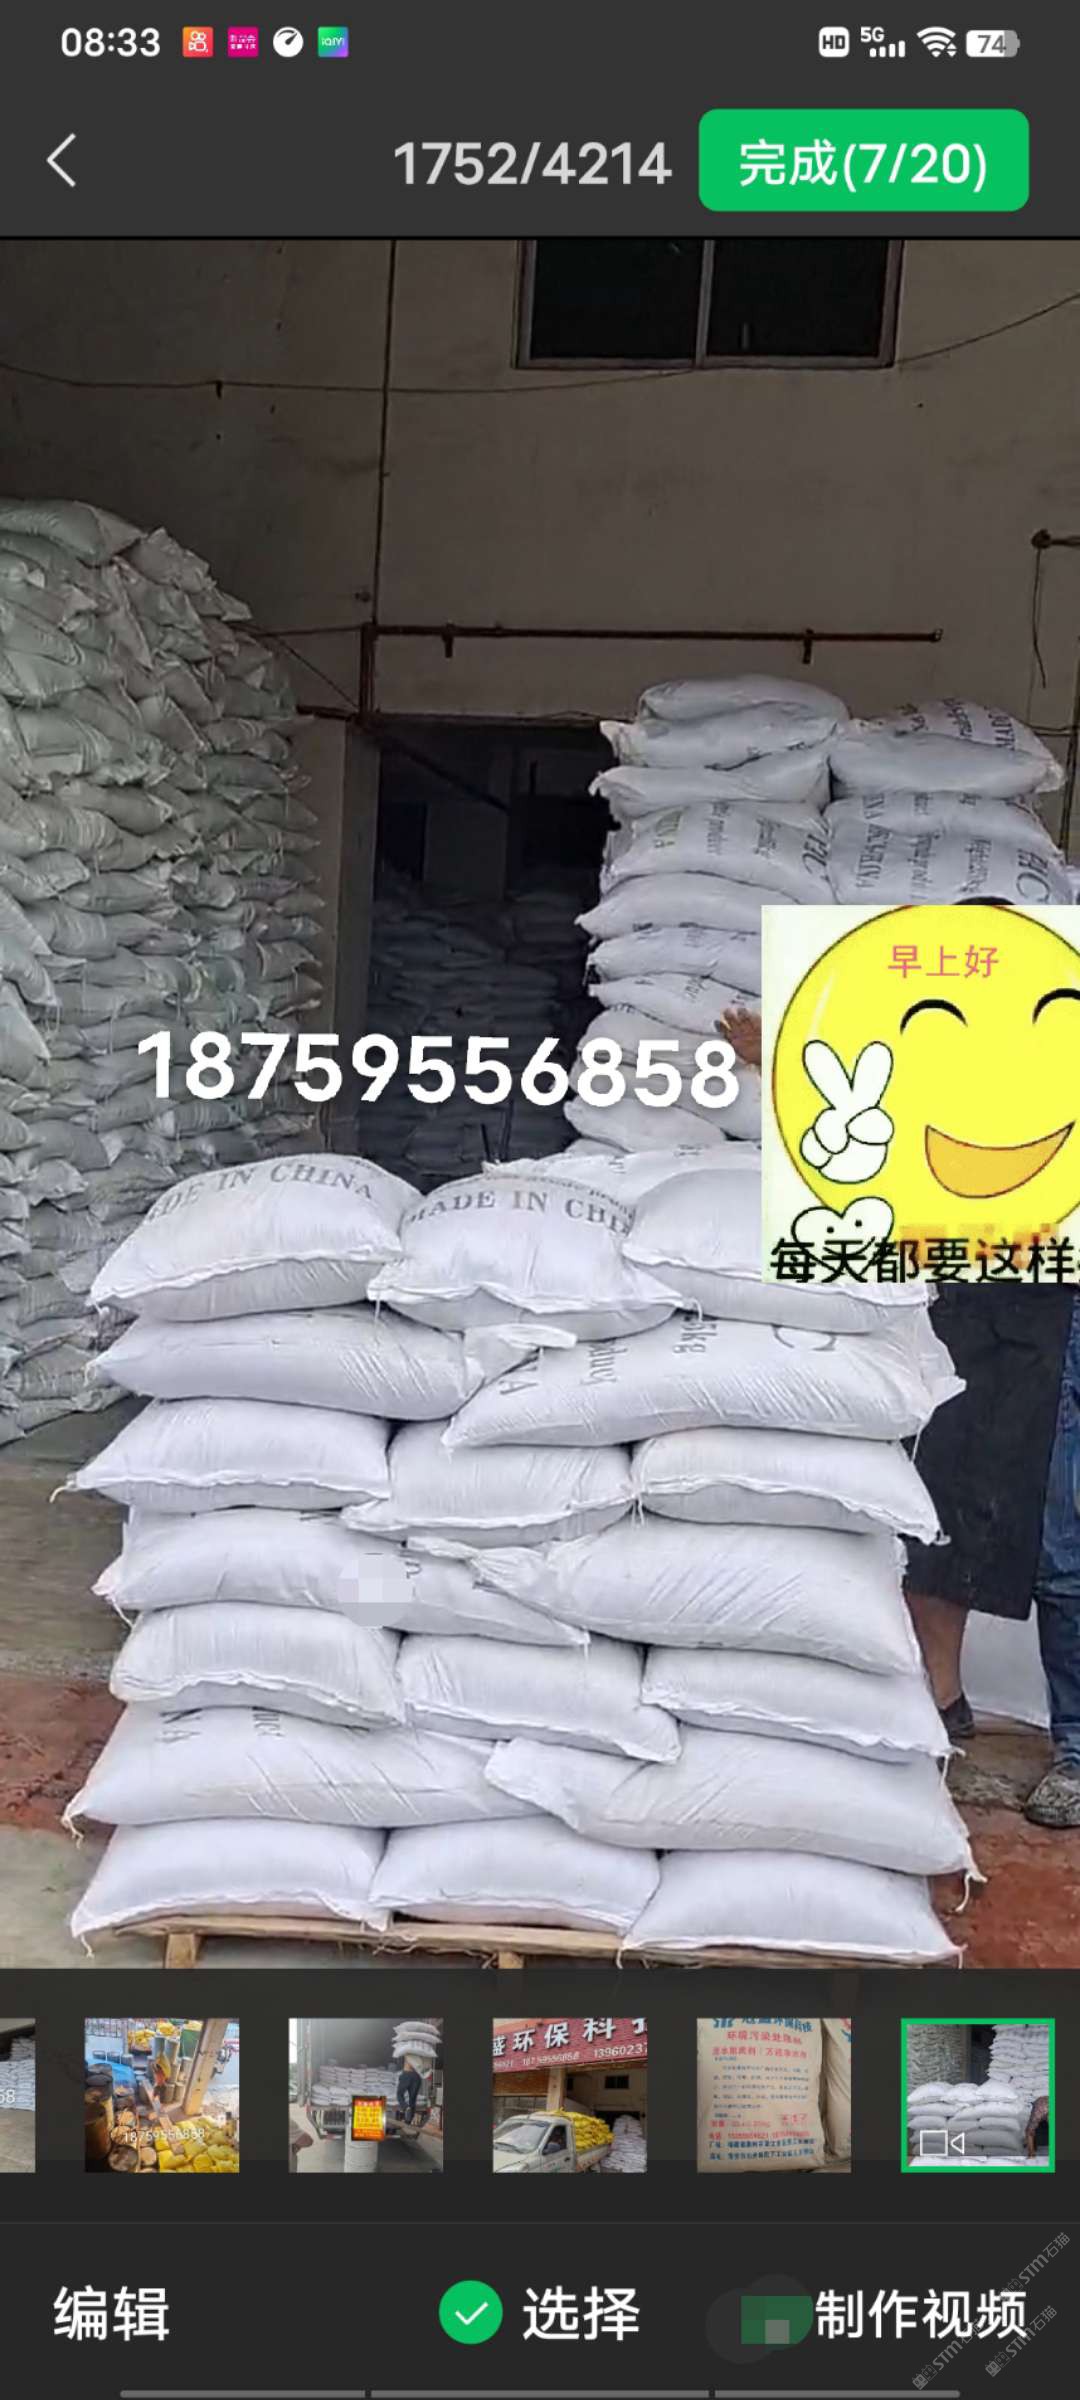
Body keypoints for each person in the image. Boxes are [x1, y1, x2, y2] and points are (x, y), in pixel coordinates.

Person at [720, 1000, 1080, 1827]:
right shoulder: (956, 1046)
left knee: (1059, 1534)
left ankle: (1077, 1747)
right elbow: (880, 1112)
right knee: (942, 1507)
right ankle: (941, 1701)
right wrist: (782, 1058)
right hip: (964, 1288)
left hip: (1057, 1303)